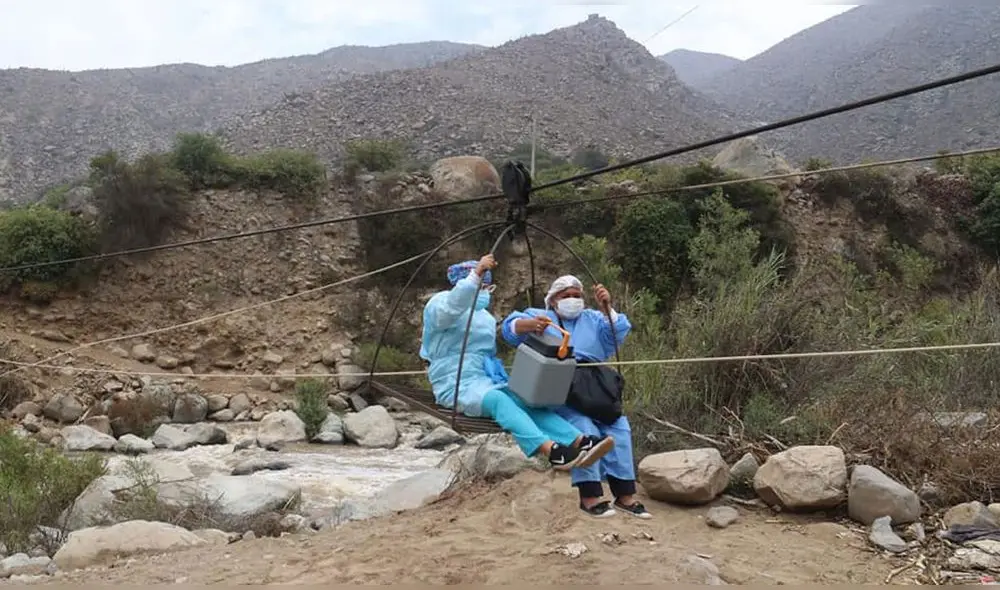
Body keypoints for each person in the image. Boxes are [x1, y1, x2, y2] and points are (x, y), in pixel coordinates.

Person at [419, 254, 615, 472]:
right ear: (464, 283)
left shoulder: (483, 317)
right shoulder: (439, 305)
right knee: (497, 400)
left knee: (525, 400)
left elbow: (486, 353)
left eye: (488, 287)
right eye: (482, 286)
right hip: (452, 383)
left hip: (483, 379)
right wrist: (476, 275)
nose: (485, 292)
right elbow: (451, 308)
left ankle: (580, 441)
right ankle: (552, 451)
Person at [501, 275, 651, 519]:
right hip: (560, 386)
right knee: (584, 428)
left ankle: (625, 496)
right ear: (553, 299)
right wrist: (528, 325)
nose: (572, 300)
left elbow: (618, 330)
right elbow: (510, 329)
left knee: (619, 428)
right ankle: (590, 496)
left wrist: (607, 308)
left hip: (594, 384)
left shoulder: (593, 318)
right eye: (566, 296)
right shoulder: (543, 316)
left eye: (577, 296)